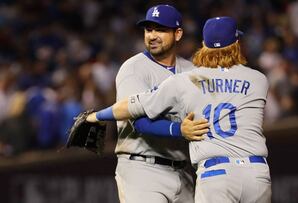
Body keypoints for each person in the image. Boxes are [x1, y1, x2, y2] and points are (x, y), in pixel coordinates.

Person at [88, 16, 271, 203]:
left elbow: (134, 106)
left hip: (216, 173)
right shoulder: (259, 80)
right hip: (257, 173)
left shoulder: (188, 79)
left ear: (203, 44)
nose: (152, 35)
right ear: (237, 43)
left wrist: (95, 116)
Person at [112, 4, 208, 203]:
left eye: (161, 29)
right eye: (149, 29)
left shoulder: (191, 71)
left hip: (183, 172)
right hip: (142, 169)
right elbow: (138, 121)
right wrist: (179, 129)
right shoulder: (134, 68)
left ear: (178, 33)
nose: (152, 35)